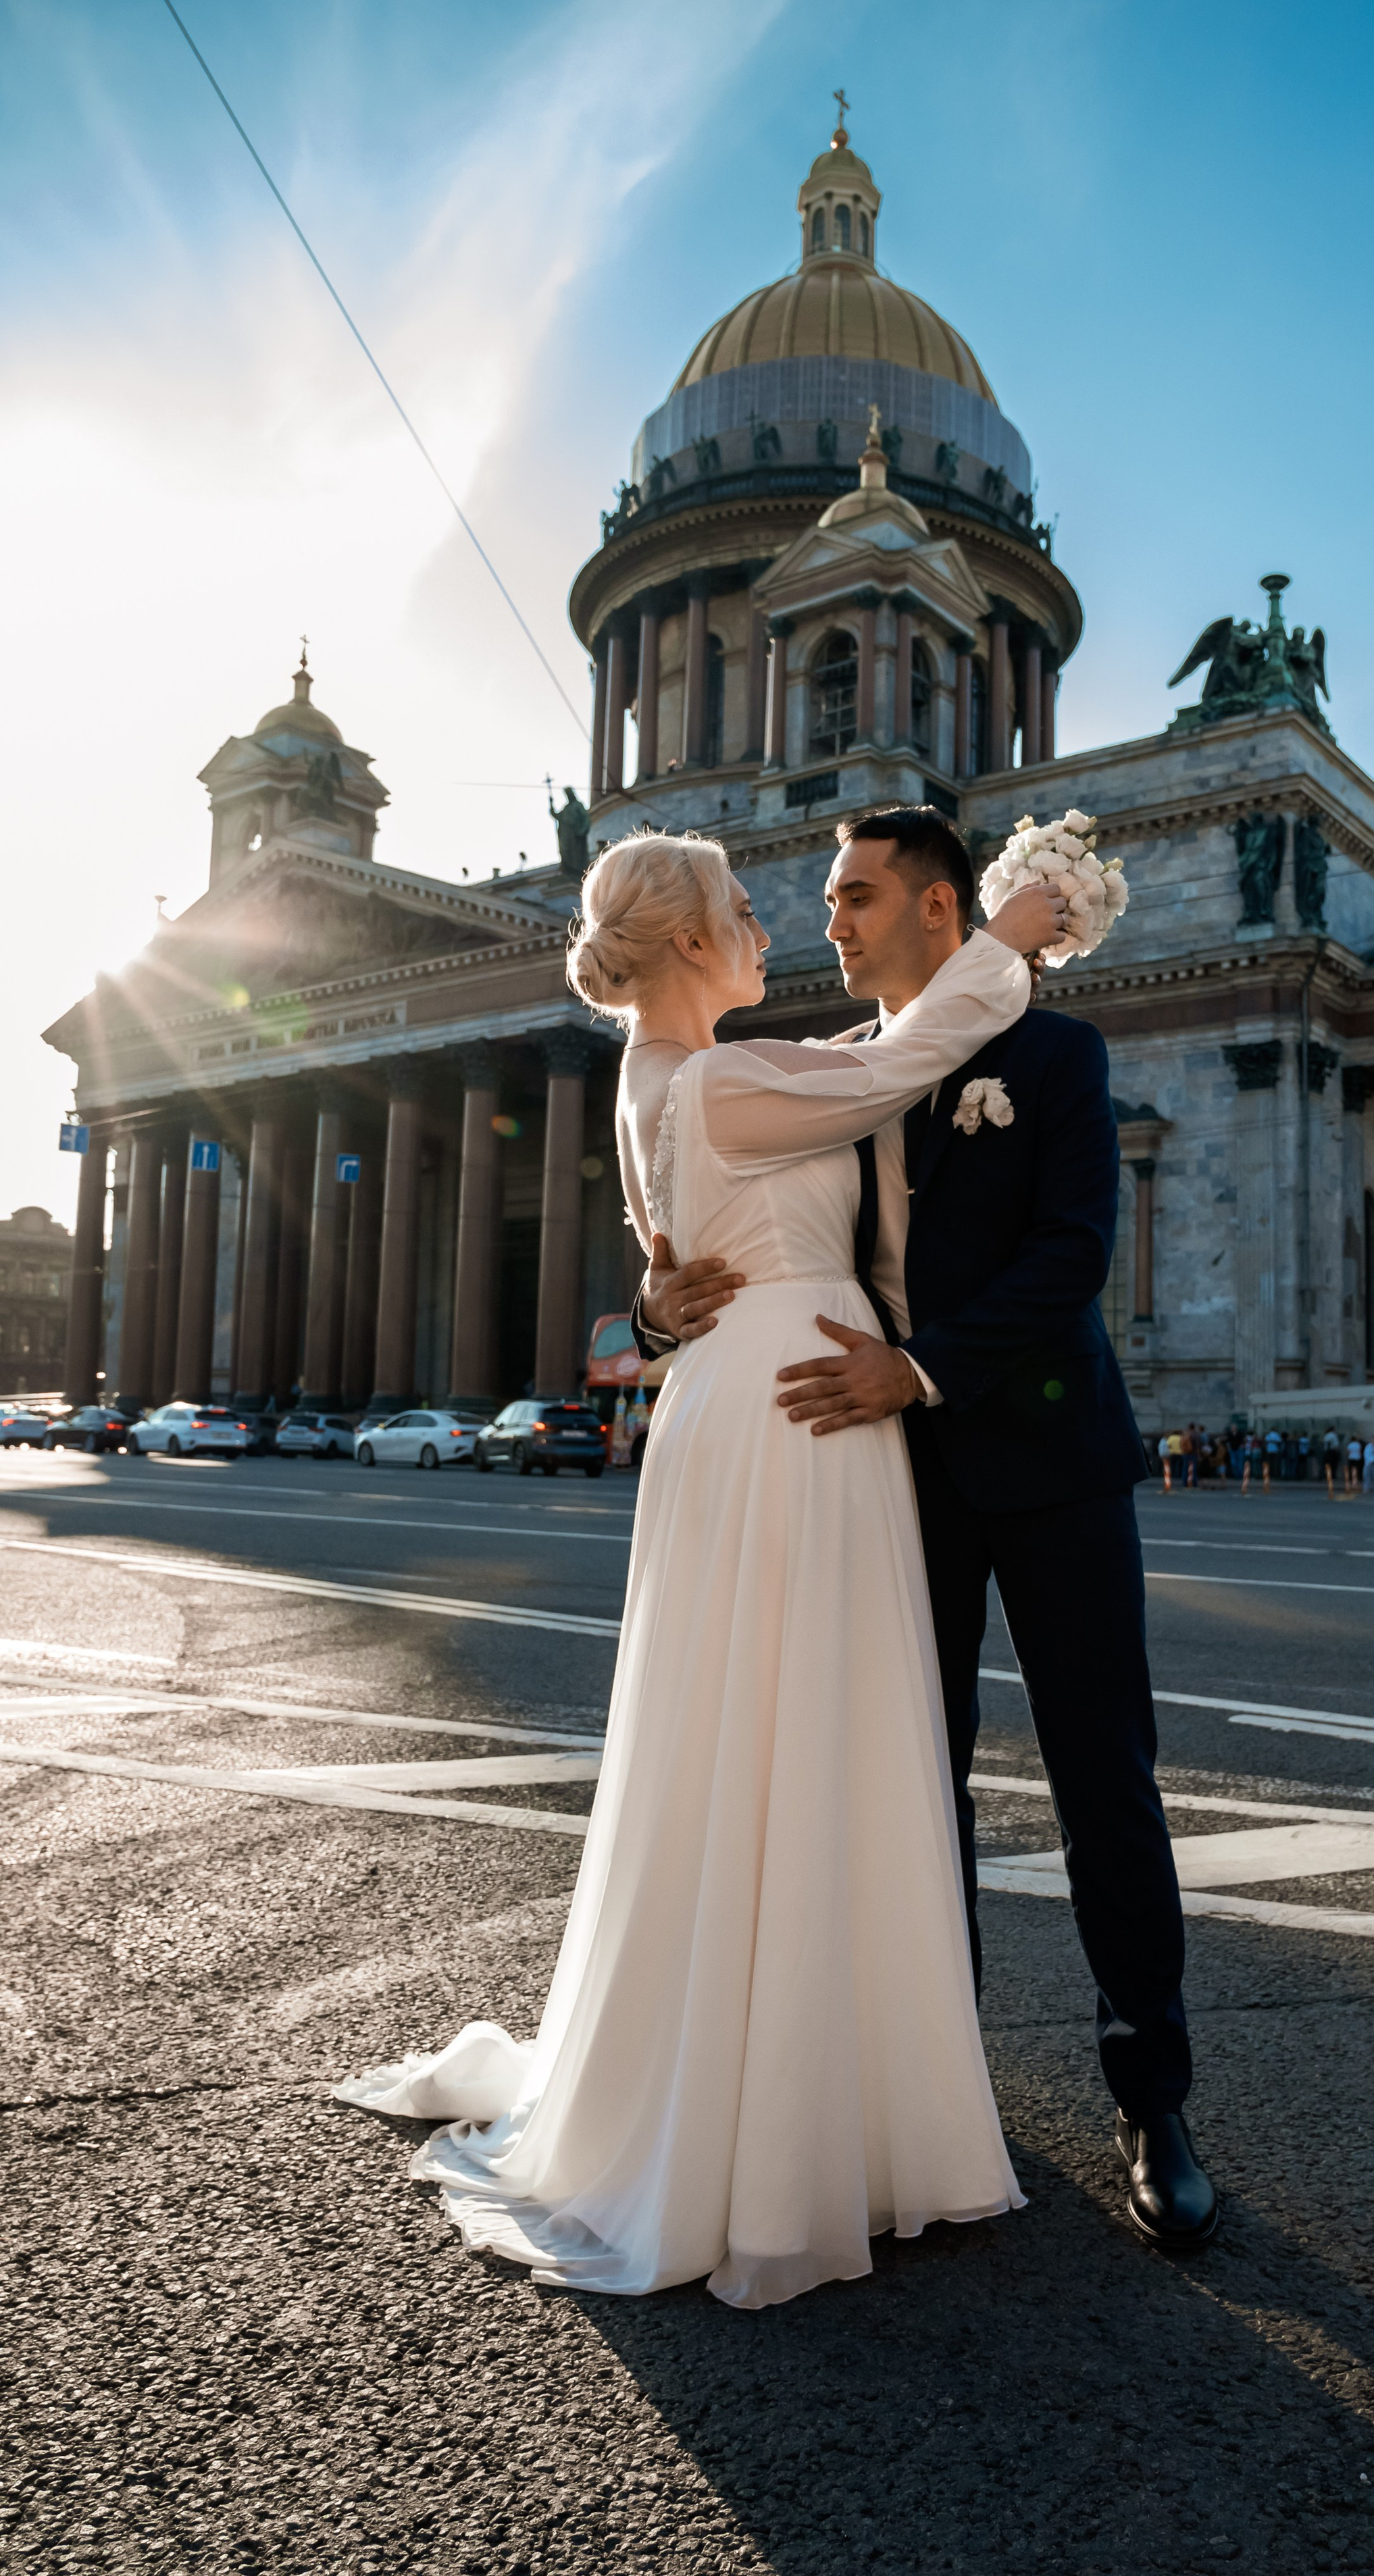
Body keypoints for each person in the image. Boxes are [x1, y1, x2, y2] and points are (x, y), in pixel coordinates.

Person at [335, 830, 1067, 2307]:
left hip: (735, 1407)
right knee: (811, 1739)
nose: (763, 931)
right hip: (797, 1417)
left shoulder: (646, 1084)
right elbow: (887, 1074)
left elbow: (678, 1279)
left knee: (738, 1741)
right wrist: (1015, 937)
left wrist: (659, 1318)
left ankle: (750, 2091)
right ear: (680, 941)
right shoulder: (726, 1074)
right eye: (739, 912)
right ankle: (809, 2121)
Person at [638, 807, 1215, 2254]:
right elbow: (702, 1210)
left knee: (1104, 1783)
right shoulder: (834, 1066)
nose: (827, 918)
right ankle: (935, 2081)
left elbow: (1073, 1252)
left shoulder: (1054, 1054)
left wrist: (926, 1363)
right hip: (884, 1463)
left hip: (1038, 1448)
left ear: (939, 908)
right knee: (908, 1780)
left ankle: (1153, 2102)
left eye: (854, 894)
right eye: (825, 897)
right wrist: (654, 1303)